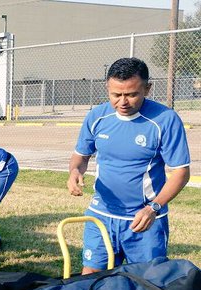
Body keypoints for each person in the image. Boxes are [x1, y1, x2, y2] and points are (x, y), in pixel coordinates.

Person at [67, 57, 190, 275]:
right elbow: (80, 156)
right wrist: (75, 171)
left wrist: (154, 207)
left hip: (144, 218)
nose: (123, 102)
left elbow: (181, 172)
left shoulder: (165, 120)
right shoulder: (97, 116)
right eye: (116, 94)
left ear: (147, 88)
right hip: (101, 214)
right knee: (91, 279)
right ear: (108, 88)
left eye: (132, 94)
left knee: (146, 284)